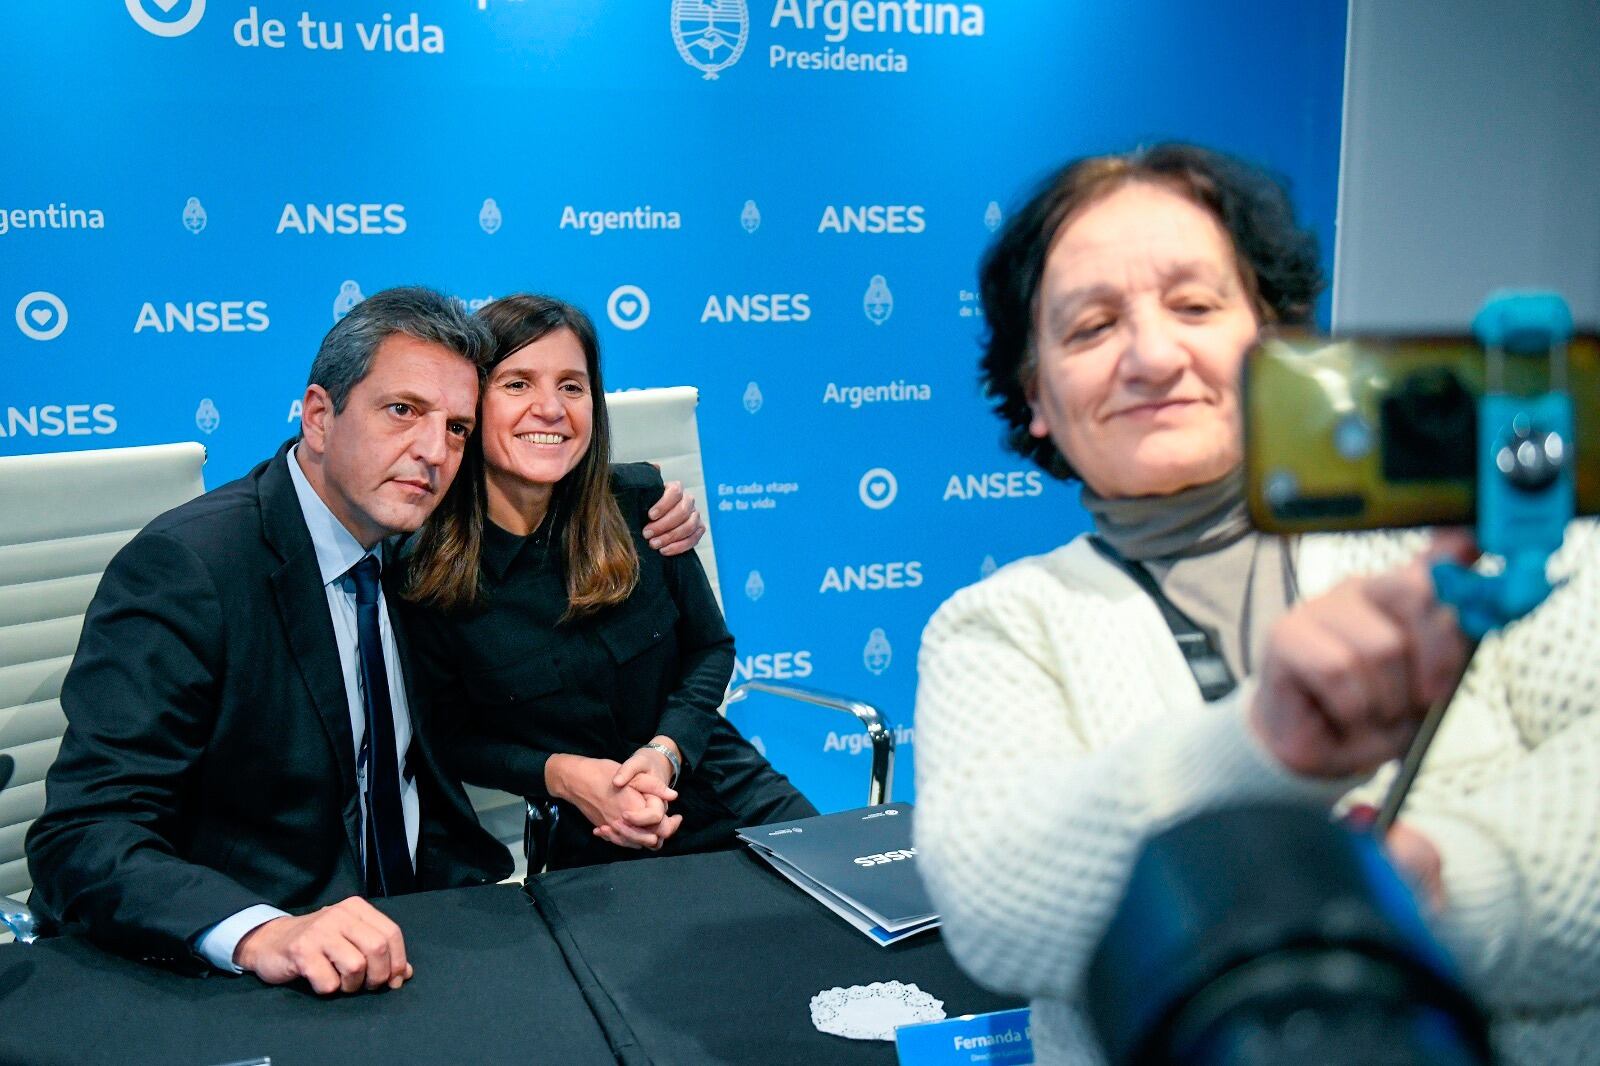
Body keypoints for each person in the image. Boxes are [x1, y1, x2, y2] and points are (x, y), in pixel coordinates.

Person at [913, 144, 1600, 1064]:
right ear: (1036, 393)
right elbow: (996, 903)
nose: (1154, 356)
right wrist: (1265, 742)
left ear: (1274, 340)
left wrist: (1434, 889)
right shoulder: (998, 626)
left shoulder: (1476, 535)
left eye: (1196, 306)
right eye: (1090, 328)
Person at [25, 286, 706, 995]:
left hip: (438, 920)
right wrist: (264, 932)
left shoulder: (418, 553)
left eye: (456, 429)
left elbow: (549, 496)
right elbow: (82, 835)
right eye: (402, 411)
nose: (431, 451)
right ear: (319, 416)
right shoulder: (191, 569)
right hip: (272, 957)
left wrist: (655, 511)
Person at [402, 293, 816, 870]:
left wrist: (666, 750)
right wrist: (567, 777)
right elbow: (447, 737)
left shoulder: (642, 503)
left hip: (727, 787)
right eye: (518, 383)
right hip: (595, 833)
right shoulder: (425, 567)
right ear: (471, 404)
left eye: (571, 386)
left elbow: (710, 647)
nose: (551, 408)